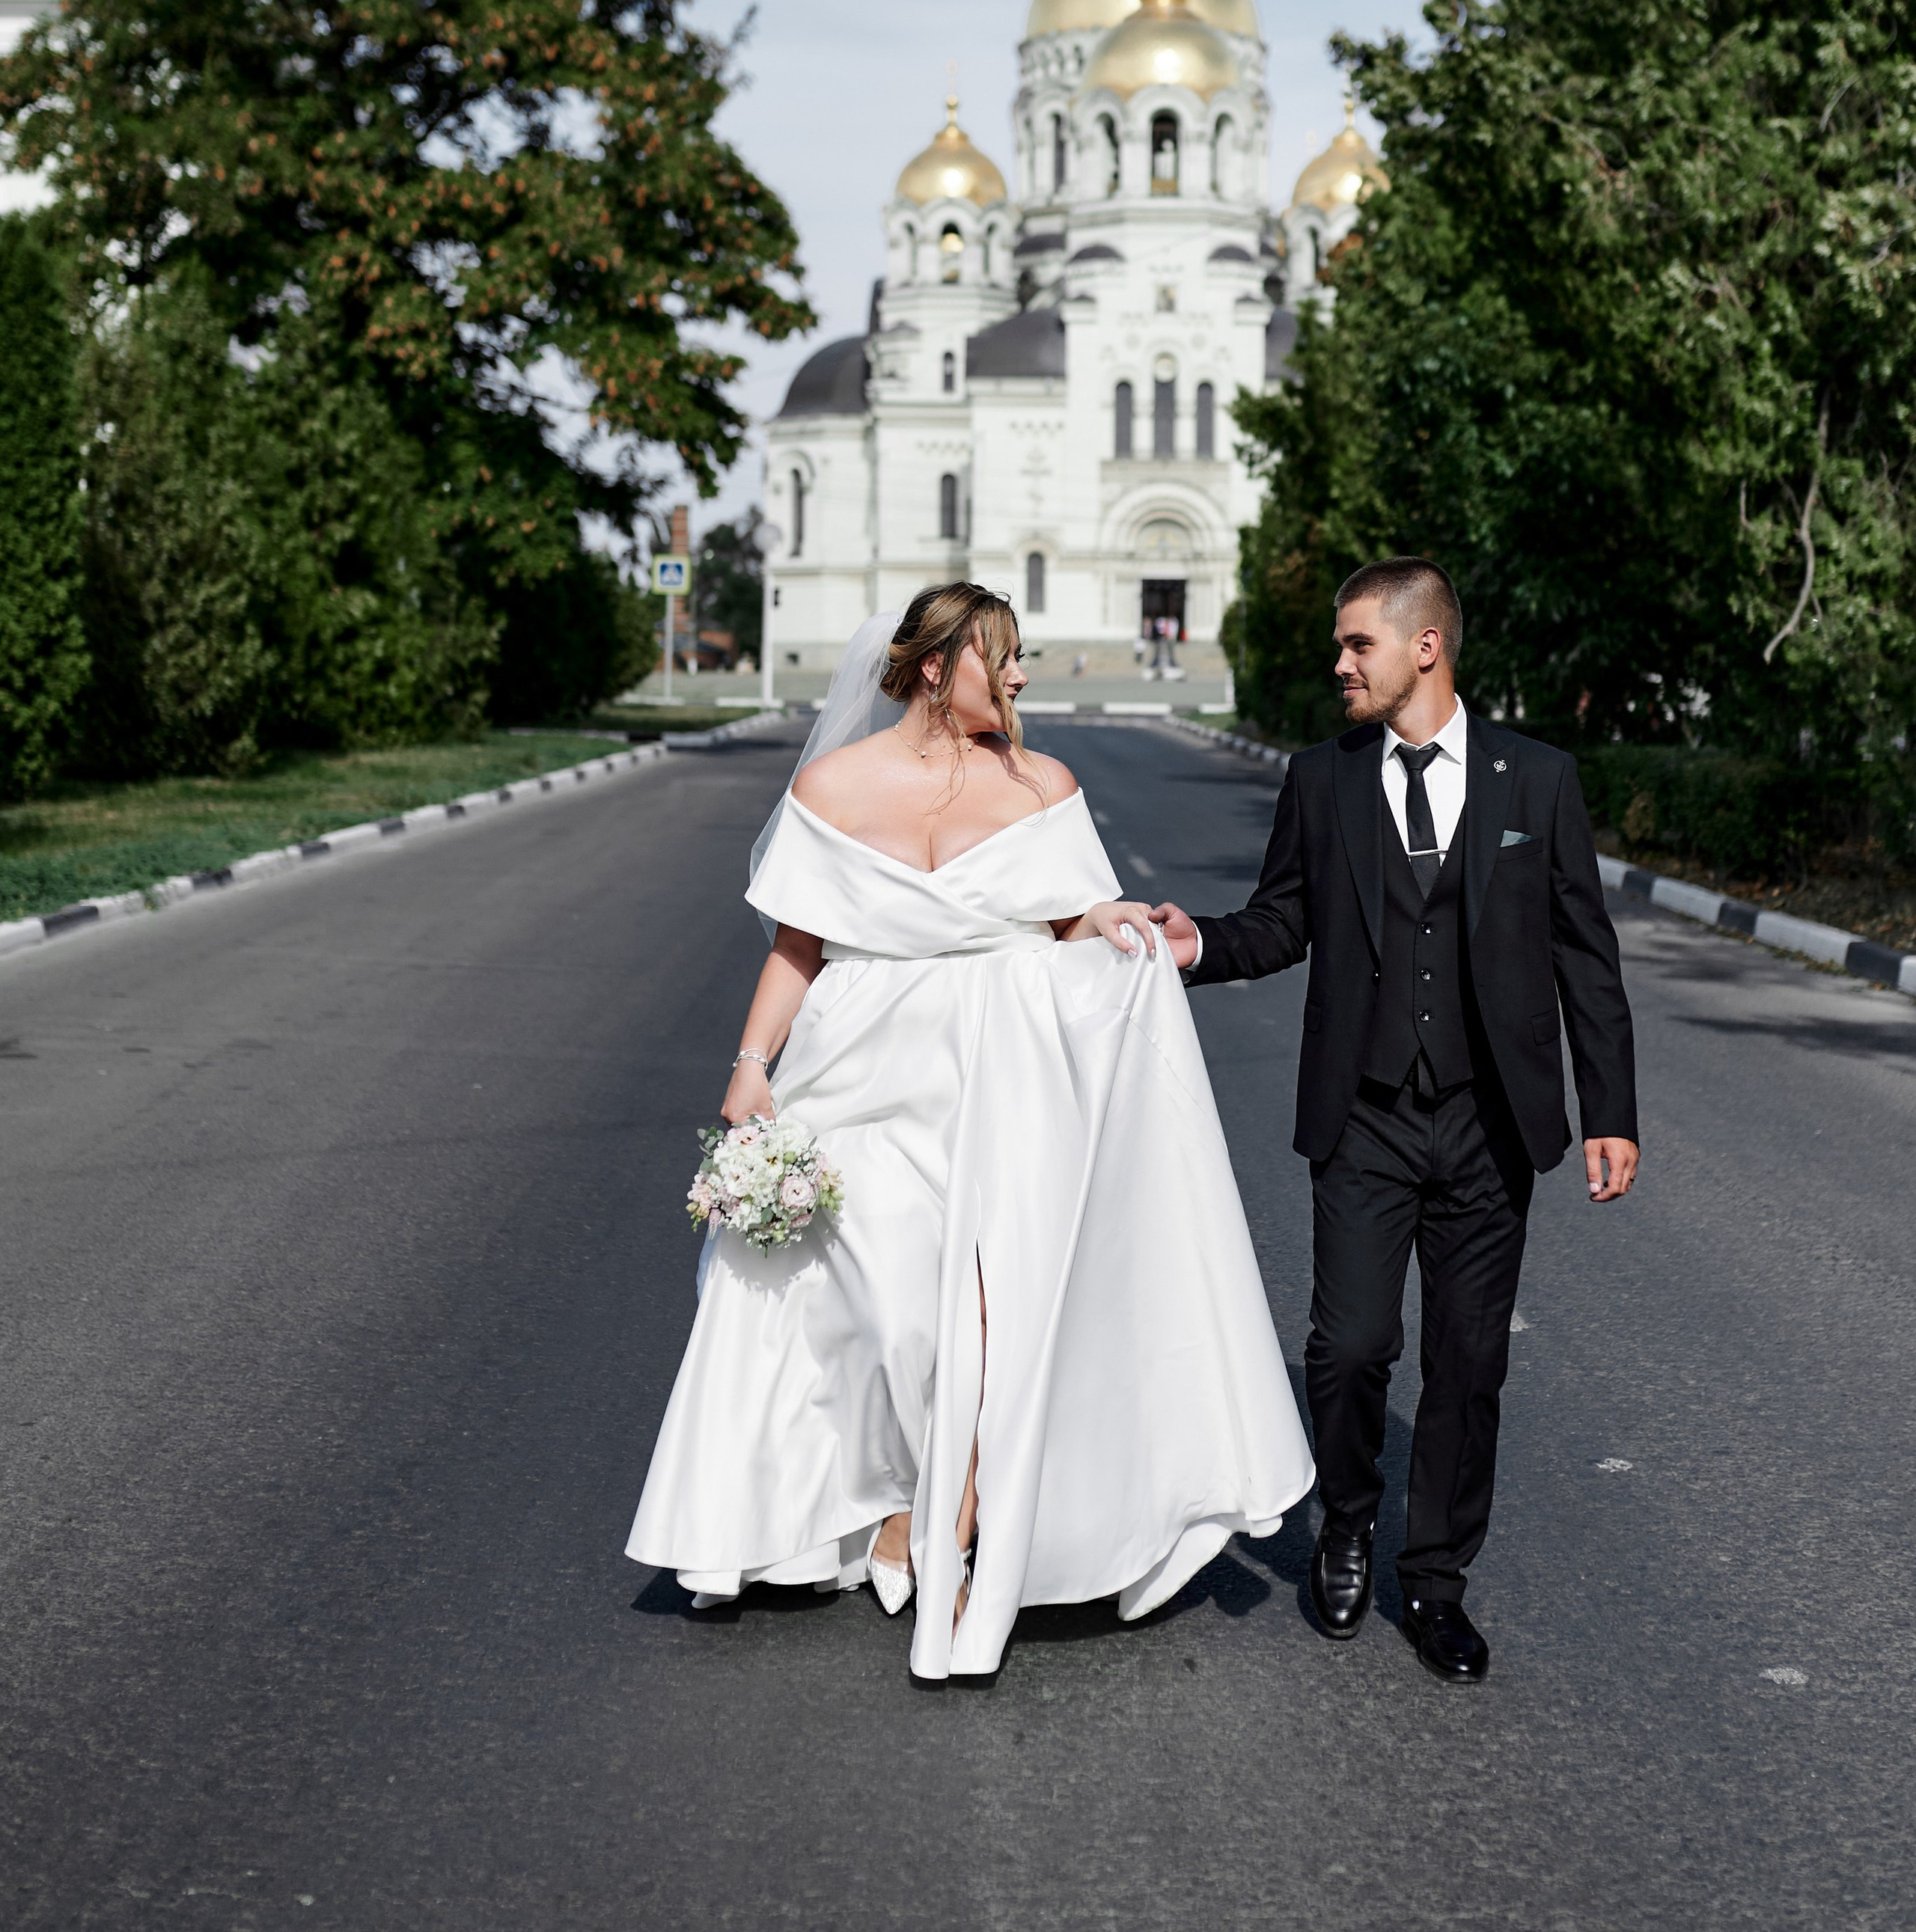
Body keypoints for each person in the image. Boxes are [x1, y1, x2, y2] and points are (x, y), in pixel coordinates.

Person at [626, 582, 1314, 1683]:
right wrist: (751, 1068)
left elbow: (1068, 915)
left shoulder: (1044, 784)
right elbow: (798, 947)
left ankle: (947, 1509)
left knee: (985, 1312)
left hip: (997, 1077)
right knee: (878, 1302)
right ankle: (855, 1504)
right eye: (1005, 657)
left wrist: (1112, 921)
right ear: (937, 668)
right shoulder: (835, 786)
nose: (1024, 677)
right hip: (855, 1069)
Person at [1147, 557, 1638, 1684]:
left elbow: (1585, 958)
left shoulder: (1539, 780)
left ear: (1426, 647)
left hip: (1489, 1125)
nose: (1339, 664)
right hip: (1364, 1117)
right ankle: (1350, 1522)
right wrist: (1197, 946)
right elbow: (1281, 921)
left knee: (1468, 1366)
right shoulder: (1322, 781)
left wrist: (1609, 1108)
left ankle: (1437, 1584)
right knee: (1354, 1345)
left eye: (1356, 644)